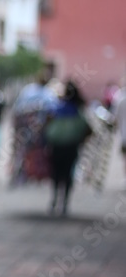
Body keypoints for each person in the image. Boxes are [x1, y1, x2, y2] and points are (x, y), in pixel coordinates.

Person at [44, 81, 92, 216]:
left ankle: (54, 200)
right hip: (71, 145)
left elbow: (46, 124)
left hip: (57, 145)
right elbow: (88, 129)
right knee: (68, 173)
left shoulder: (57, 107)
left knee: (56, 172)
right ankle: (64, 202)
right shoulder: (78, 109)